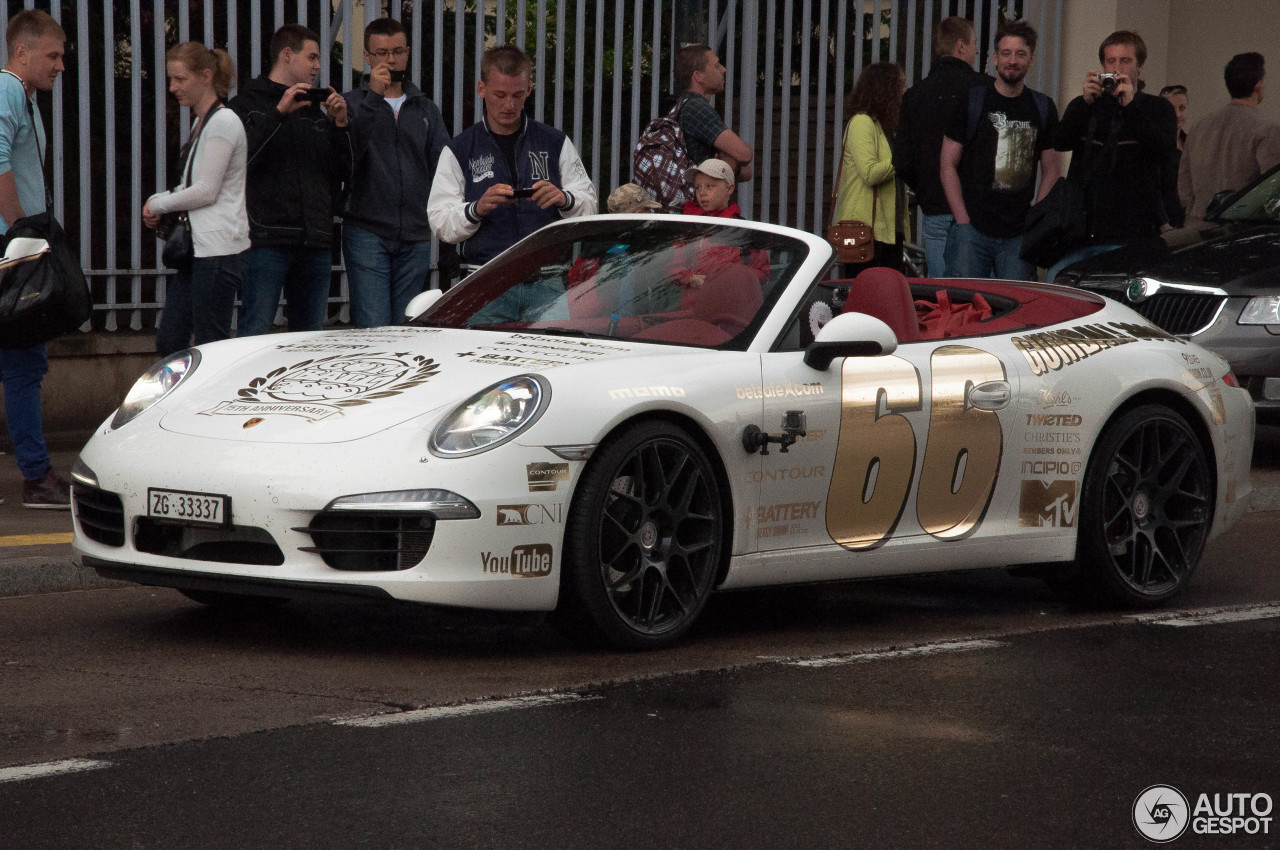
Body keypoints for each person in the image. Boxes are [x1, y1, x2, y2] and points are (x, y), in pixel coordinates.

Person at [228, 24, 352, 337]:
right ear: (287, 55)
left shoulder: (315, 112)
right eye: (311, 57)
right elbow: (239, 163)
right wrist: (279, 112)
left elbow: (343, 173)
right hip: (267, 238)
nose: (318, 66)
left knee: (309, 338)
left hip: (315, 240)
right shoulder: (247, 105)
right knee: (254, 331)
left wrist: (340, 125)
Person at [428, 45, 596, 273]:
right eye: (500, 95)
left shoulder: (555, 142)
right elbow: (440, 221)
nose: (509, 105)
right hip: (484, 277)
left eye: (517, 95)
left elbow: (590, 205)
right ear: (481, 89)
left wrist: (564, 199)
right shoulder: (459, 149)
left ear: (528, 89)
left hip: (547, 275)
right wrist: (476, 209)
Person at [0, 9, 70, 509]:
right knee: (24, 363)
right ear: (21, 53)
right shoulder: (7, 90)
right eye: (53, 54)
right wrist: (25, 238)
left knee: (18, 361)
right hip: (11, 254)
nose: (61, 65)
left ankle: (36, 471)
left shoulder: (23, 96)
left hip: (12, 249)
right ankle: (37, 476)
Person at [341, 17, 451, 328]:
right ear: (367, 57)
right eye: (381, 52)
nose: (390, 59)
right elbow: (347, 157)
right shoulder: (352, 104)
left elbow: (443, 168)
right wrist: (374, 98)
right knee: (374, 327)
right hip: (367, 231)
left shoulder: (425, 109)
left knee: (406, 327)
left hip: (415, 233)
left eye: (398, 51)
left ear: (408, 52)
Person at [143, 43, 249, 357]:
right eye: (171, 79)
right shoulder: (202, 122)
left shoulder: (223, 122)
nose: (173, 87)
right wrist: (159, 200)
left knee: (210, 345)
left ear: (205, 76)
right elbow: (193, 184)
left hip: (217, 249)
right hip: (199, 249)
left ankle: (214, 406)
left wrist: (158, 204)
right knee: (171, 341)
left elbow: (206, 190)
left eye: (180, 79)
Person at [1049, 31, 1177, 281]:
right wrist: (1083, 103)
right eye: (1110, 61)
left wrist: (1130, 106)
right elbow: (1060, 141)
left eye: (1125, 61)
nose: (1117, 68)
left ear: (1140, 66)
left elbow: (1165, 151)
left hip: (1132, 235)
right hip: (1080, 233)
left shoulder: (1157, 108)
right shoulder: (1086, 105)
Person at [940, 19, 1060, 281]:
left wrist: (1035, 218)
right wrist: (962, 220)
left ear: (1031, 58)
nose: (1012, 60)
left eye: (1020, 54)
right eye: (1006, 53)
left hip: (1019, 234)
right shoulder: (971, 101)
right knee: (965, 312)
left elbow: (1051, 169)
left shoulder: (1043, 106)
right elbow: (947, 163)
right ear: (994, 58)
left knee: (1020, 313)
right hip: (971, 231)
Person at [895, 16, 985, 277]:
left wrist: (925, 188)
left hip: (933, 207)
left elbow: (902, 161)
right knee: (984, 298)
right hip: (977, 211)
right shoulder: (984, 90)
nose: (977, 50)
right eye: (974, 43)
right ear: (961, 46)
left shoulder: (914, 96)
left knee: (943, 298)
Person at [1179, 52, 1280, 225]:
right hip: (1238, 233)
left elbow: (1184, 189)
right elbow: (1271, 195)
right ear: (1258, 85)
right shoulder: (1267, 130)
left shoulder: (1198, 127)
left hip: (1196, 229)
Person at [834, 62, 909, 279]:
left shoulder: (886, 127)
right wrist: (901, 158)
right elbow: (869, 173)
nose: (905, 91)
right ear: (886, 89)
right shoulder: (862, 123)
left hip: (887, 229)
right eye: (901, 85)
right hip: (865, 231)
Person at [671, 158, 768, 302]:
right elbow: (673, 269)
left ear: (729, 189)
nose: (702, 193)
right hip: (693, 309)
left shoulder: (744, 230)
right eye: (697, 187)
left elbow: (762, 273)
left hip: (732, 307)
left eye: (709, 186)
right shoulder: (689, 227)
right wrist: (691, 278)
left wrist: (732, 278)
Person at [673, 44, 754, 182]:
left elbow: (746, 172)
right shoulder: (696, 108)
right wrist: (732, 164)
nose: (723, 69)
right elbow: (744, 154)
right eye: (716, 65)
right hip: (696, 199)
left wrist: (733, 166)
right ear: (699, 76)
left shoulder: (683, 104)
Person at [1160, 83, 1189, 228]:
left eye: (1182, 108)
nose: (1177, 114)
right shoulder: (1155, 144)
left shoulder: (1191, 143)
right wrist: (1163, 222)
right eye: (1171, 108)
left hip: (1186, 220)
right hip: (1163, 224)